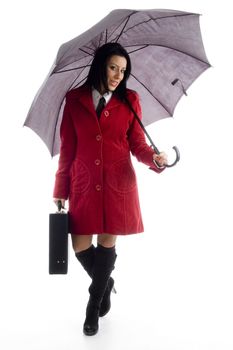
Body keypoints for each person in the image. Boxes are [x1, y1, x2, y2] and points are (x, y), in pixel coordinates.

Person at [53, 42, 168, 336]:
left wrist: (154, 160)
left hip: (118, 181)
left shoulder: (130, 100)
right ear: (101, 65)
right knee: (80, 245)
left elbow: (137, 144)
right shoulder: (75, 98)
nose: (118, 75)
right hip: (83, 181)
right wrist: (60, 189)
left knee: (107, 242)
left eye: (123, 70)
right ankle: (106, 283)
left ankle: (93, 305)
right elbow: (68, 148)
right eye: (113, 67)